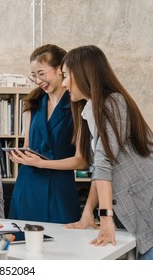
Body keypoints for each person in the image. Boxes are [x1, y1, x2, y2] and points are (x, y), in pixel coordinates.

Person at [62, 45, 153, 260]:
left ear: (83, 73)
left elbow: (104, 163)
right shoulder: (90, 110)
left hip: (146, 208)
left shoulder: (114, 103)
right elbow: (100, 170)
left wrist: (104, 218)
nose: (64, 83)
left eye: (66, 76)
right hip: (133, 211)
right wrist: (87, 214)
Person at [8, 44, 87, 224]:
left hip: (59, 187)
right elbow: (28, 146)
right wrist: (20, 156)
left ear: (60, 69)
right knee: (21, 244)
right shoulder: (32, 103)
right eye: (34, 75)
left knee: (61, 245)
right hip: (27, 185)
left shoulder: (78, 105)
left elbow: (81, 160)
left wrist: (43, 163)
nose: (37, 80)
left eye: (41, 74)